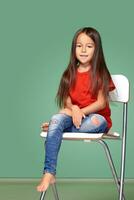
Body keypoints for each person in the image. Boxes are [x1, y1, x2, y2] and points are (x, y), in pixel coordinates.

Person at [37, 27, 115, 192]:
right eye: (79, 46)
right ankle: (49, 171)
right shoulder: (69, 74)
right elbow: (67, 101)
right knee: (58, 118)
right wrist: (74, 109)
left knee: (94, 120)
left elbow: (101, 103)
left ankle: (56, 128)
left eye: (89, 46)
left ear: (97, 49)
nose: (84, 50)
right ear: (74, 49)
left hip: (96, 120)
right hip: (76, 116)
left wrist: (79, 112)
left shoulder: (100, 72)